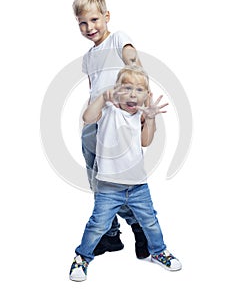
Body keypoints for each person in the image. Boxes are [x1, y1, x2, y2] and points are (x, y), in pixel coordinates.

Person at [69, 66, 182, 282]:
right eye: (127, 88)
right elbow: (88, 116)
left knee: (150, 221)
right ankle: (82, 258)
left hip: (138, 185)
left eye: (139, 90)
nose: (132, 94)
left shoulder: (140, 114)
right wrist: (103, 97)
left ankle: (158, 251)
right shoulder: (108, 111)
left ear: (146, 96)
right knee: (98, 224)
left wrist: (150, 118)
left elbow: (145, 142)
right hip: (109, 186)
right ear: (116, 90)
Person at [73, 0, 149, 258]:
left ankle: (141, 229)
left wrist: (139, 99)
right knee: (97, 182)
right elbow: (93, 89)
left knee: (119, 182)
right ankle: (110, 234)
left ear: (106, 17)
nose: (89, 27)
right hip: (94, 127)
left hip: (118, 128)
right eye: (82, 22)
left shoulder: (118, 39)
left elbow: (131, 58)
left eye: (94, 20)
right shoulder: (88, 57)